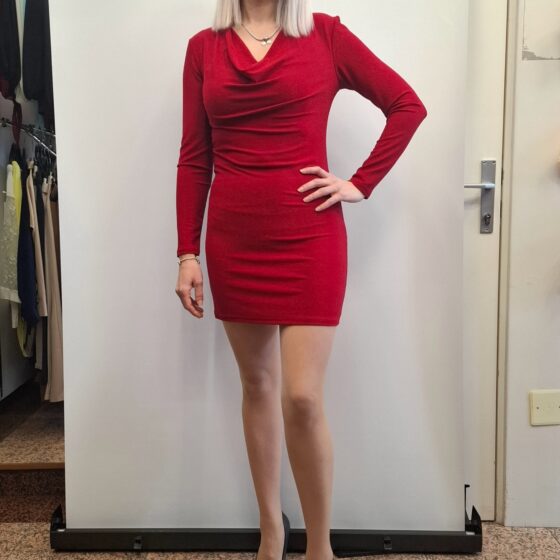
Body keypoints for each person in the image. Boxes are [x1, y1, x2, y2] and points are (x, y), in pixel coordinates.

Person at [175, 1, 427, 559]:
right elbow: (195, 158)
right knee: (258, 385)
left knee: (303, 396)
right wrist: (186, 252)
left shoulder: (325, 36)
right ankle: (271, 532)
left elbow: (407, 105)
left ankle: (319, 546)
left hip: (309, 238)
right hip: (234, 240)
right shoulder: (203, 48)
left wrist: (360, 182)